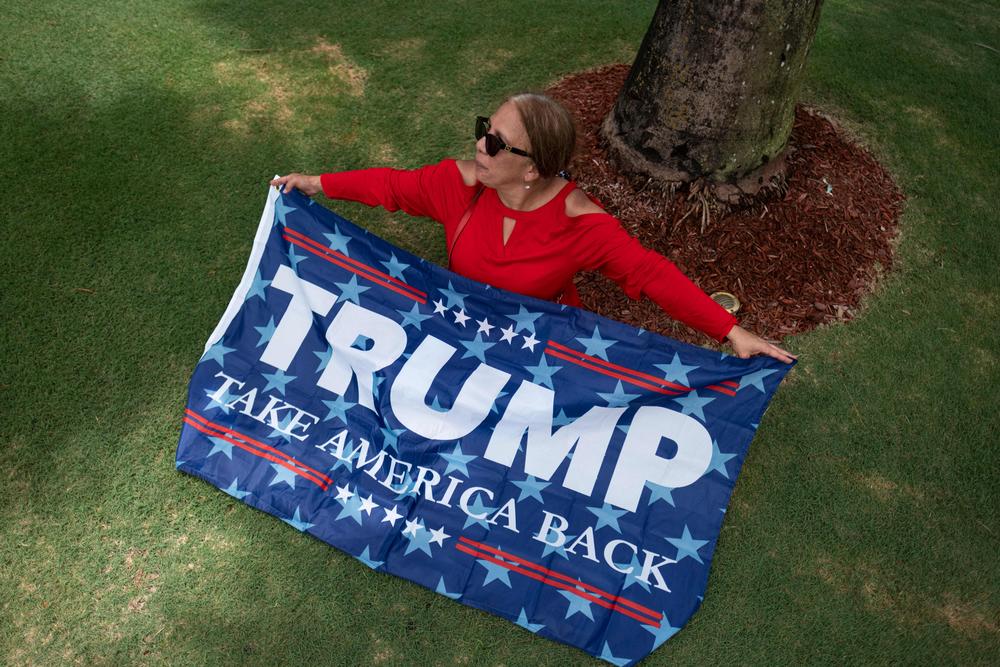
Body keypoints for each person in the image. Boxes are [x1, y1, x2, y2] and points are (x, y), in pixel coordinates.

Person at [270, 93, 794, 363]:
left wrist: (732, 332)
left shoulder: (581, 223)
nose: (480, 146)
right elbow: (391, 186)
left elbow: (649, 275)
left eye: (496, 143)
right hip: (466, 320)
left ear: (534, 169)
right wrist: (316, 183)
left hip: (541, 337)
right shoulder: (462, 184)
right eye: (484, 130)